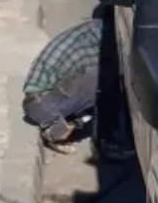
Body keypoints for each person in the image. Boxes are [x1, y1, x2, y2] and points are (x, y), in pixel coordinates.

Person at [22, 18, 102, 153]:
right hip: (41, 104)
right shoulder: (100, 38)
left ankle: (74, 118)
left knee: (101, 78)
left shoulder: (96, 29)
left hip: (41, 98)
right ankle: (54, 129)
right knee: (105, 78)